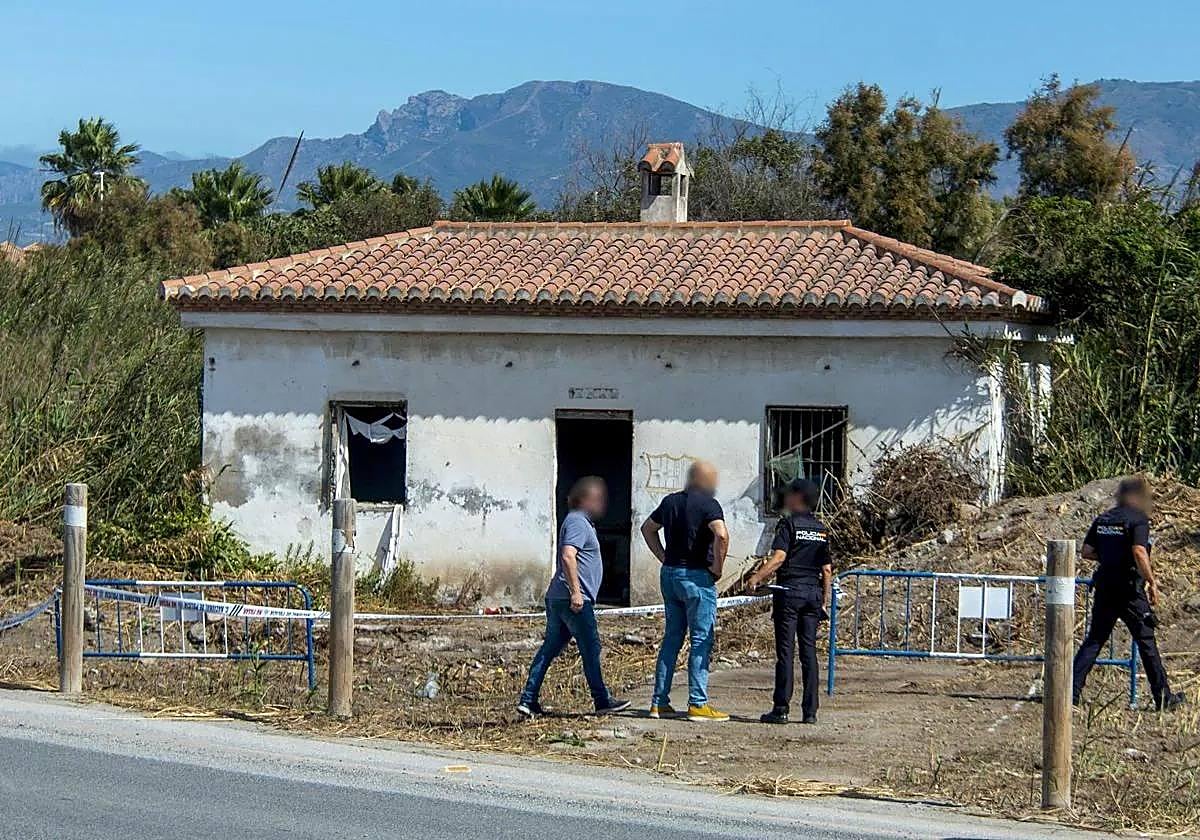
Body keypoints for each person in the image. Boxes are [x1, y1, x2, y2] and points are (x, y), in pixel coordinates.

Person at [517, 476, 630, 718]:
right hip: (574, 601)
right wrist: (576, 592)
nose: (602, 504)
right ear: (585, 500)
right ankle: (602, 700)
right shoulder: (578, 521)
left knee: (550, 648)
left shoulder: (580, 522)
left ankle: (528, 699)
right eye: (598, 499)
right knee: (590, 648)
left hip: (560, 598)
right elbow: (568, 555)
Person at [1072, 477, 1186, 711]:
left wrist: (1110, 557)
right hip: (1129, 591)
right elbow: (1139, 551)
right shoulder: (1138, 520)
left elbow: (1087, 551)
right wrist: (1151, 581)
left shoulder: (1103, 519)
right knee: (1146, 642)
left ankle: (1070, 692)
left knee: (1095, 639)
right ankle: (1163, 698)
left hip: (1105, 587)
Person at [640, 461, 730, 722]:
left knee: (672, 638)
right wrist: (717, 567)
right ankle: (698, 704)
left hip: (670, 575)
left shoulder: (670, 502)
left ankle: (659, 702)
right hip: (697, 578)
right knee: (701, 640)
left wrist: (663, 556)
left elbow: (647, 529)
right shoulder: (709, 505)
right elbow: (721, 535)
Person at [745, 478, 832, 725]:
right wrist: (824, 600)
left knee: (786, 653)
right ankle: (810, 712)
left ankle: (781, 709)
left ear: (797, 498)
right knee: (809, 653)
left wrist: (755, 578)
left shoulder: (788, 524)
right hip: (812, 595)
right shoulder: (821, 529)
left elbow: (779, 558)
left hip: (790, 594)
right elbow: (827, 569)